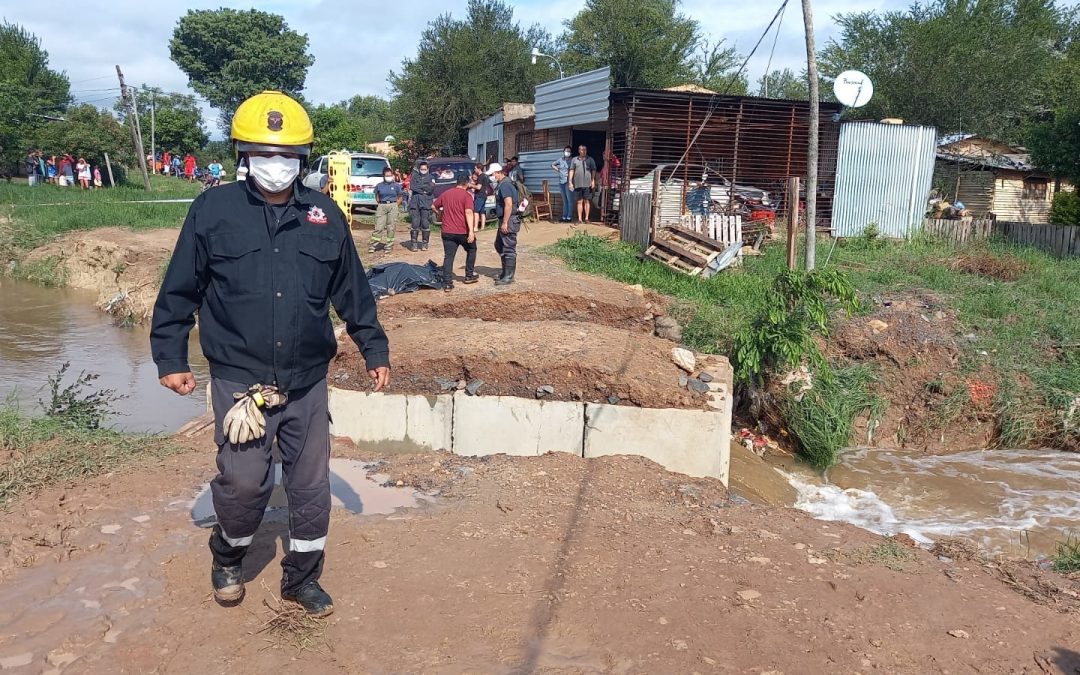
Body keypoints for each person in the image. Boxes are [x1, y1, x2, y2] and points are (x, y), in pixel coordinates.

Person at [151, 90, 391, 618]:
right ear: (243, 154)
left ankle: (301, 579)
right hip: (240, 381)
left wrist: (373, 347)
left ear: (302, 159)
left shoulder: (325, 215)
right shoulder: (213, 211)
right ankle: (228, 555)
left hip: (307, 381)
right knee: (243, 483)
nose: (276, 165)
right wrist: (170, 358)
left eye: (286, 156)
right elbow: (179, 290)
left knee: (309, 487)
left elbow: (352, 290)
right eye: (264, 154)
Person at [433, 175, 479, 290]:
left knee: (449, 256)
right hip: (462, 231)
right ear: (466, 184)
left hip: (447, 231)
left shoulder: (446, 193)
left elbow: (433, 205)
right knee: (472, 249)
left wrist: (440, 214)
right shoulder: (467, 196)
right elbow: (468, 212)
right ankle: (469, 275)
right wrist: (471, 232)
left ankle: (447, 283)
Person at [486, 162, 521, 285]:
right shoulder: (502, 184)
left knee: (508, 247)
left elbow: (509, 204)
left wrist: (505, 222)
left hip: (509, 220)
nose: (491, 177)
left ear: (498, 173)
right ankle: (505, 272)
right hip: (504, 219)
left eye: (492, 174)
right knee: (499, 244)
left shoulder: (505, 185)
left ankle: (509, 276)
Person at [371, 167, 403, 253]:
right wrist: (381, 204)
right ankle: (373, 245)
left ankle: (389, 246)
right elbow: (377, 196)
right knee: (379, 226)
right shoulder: (379, 185)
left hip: (393, 205)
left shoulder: (396, 186)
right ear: (383, 176)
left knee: (391, 227)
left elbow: (400, 197)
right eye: (387, 175)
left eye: (390, 175)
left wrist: (395, 205)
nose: (389, 177)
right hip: (382, 205)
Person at [407, 160, 435, 251]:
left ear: (427, 169)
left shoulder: (431, 177)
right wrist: (423, 189)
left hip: (426, 202)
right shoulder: (414, 176)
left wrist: (421, 187)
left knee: (425, 222)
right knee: (415, 222)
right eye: (422, 169)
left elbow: (431, 189)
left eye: (425, 169)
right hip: (415, 202)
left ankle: (424, 243)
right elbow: (412, 187)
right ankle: (414, 244)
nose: (423, 170)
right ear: (419, 169)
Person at [568, 145, 597, 223]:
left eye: (585, 150)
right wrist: (570, 182)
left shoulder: (590, 159)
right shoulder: (574, 159)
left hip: (588, 184)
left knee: (587, 201)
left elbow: (593, 170)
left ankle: (587, 218)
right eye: (582, 150)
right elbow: (571, 171)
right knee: (579, 201)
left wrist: (593, 180)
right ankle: (580, 219)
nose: (584, 151)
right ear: (579, 150)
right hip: (577, 184)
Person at [551, 146, 574, 222]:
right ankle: (564, 217)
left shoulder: (572, 160)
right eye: (566, 151)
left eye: (569, 151)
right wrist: (558, 170)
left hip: (568, 182)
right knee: (564, 201)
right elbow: (552, 164)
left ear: (571, 153)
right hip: (561, 182)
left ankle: (569, 217)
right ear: (563, 151)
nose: (567, 152)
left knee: (569, 200)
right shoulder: (560, 160)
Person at [469, 163, 490, 232]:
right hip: (484, 195)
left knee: (476, 211)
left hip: (480, 195)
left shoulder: (481, 176)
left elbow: (478, 187)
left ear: (479, 169)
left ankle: (475, 227)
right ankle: (482, 227)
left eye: (475, 168)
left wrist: (471, 185)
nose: (474, 170)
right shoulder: (485, 176)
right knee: (482, 212)